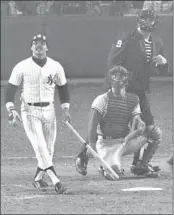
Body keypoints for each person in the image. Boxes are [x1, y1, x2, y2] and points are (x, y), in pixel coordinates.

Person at [5, 34, 71, 194]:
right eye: (36, 44)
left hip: (49, 111)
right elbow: (10, 90)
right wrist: (11, 109)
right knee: (40, 146)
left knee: (48, 149)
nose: (39, 47)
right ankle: (56, 181)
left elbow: (63, 89)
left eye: (42, 44)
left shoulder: (56, 66)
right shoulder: (21, 66)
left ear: (47, 47)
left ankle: (38, 178)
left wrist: (65, 109)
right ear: (31, 47)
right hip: (29, 111)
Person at [106, 8, 169, 176]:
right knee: (116, 130)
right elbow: (113, 63)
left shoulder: (157, 41)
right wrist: (118, 89)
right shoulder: (127, 38)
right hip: (125, 92)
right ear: (139, 20)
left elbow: (162, 72)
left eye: (150, 19)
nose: (148, 22)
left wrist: (164, 62)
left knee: (147, 130)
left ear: (155, 22)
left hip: (141, 92)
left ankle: (139, 164)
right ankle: (87, 156)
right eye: (145, 19)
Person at [74, 65, 159, 180]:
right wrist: (93, 147)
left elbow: (137, 121)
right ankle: (104, 165)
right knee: (114, 173)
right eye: (115, 76)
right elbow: (92, 125)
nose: (118, 79)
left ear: (127, 80)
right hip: (105, 143)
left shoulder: (133, 99)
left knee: (154, 132)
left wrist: (139, 125)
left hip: (125, 142)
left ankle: (141, 165)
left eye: (122, 76)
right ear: (110, 80)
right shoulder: (101, 100)